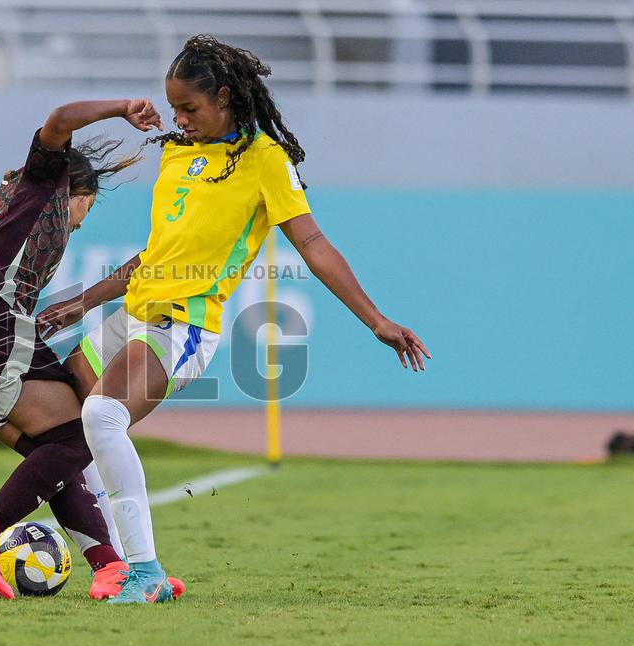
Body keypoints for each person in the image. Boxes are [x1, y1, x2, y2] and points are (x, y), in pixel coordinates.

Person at [36, 35, 432, 604]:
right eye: (174, 109)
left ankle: (145, 573)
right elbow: (156, 253)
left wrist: (375, 319)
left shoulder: (265, 160)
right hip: (134, 312)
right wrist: (87, 300)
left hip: (185, 324)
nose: (179, 119)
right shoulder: (177, 154)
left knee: (102, 415)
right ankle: (113, 562)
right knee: (65, 413)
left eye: (189, 108)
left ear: (224, 97)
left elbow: (313, 244)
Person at [0, 98, 188, 601]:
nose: (82, 223)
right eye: (87, 207)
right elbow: (59, 120)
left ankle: (110, 567)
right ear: (76, 189)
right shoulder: (44, 183)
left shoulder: (13, 197)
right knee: (82, 431)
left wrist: (81, 303)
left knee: (57, 458)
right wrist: (120, 108)